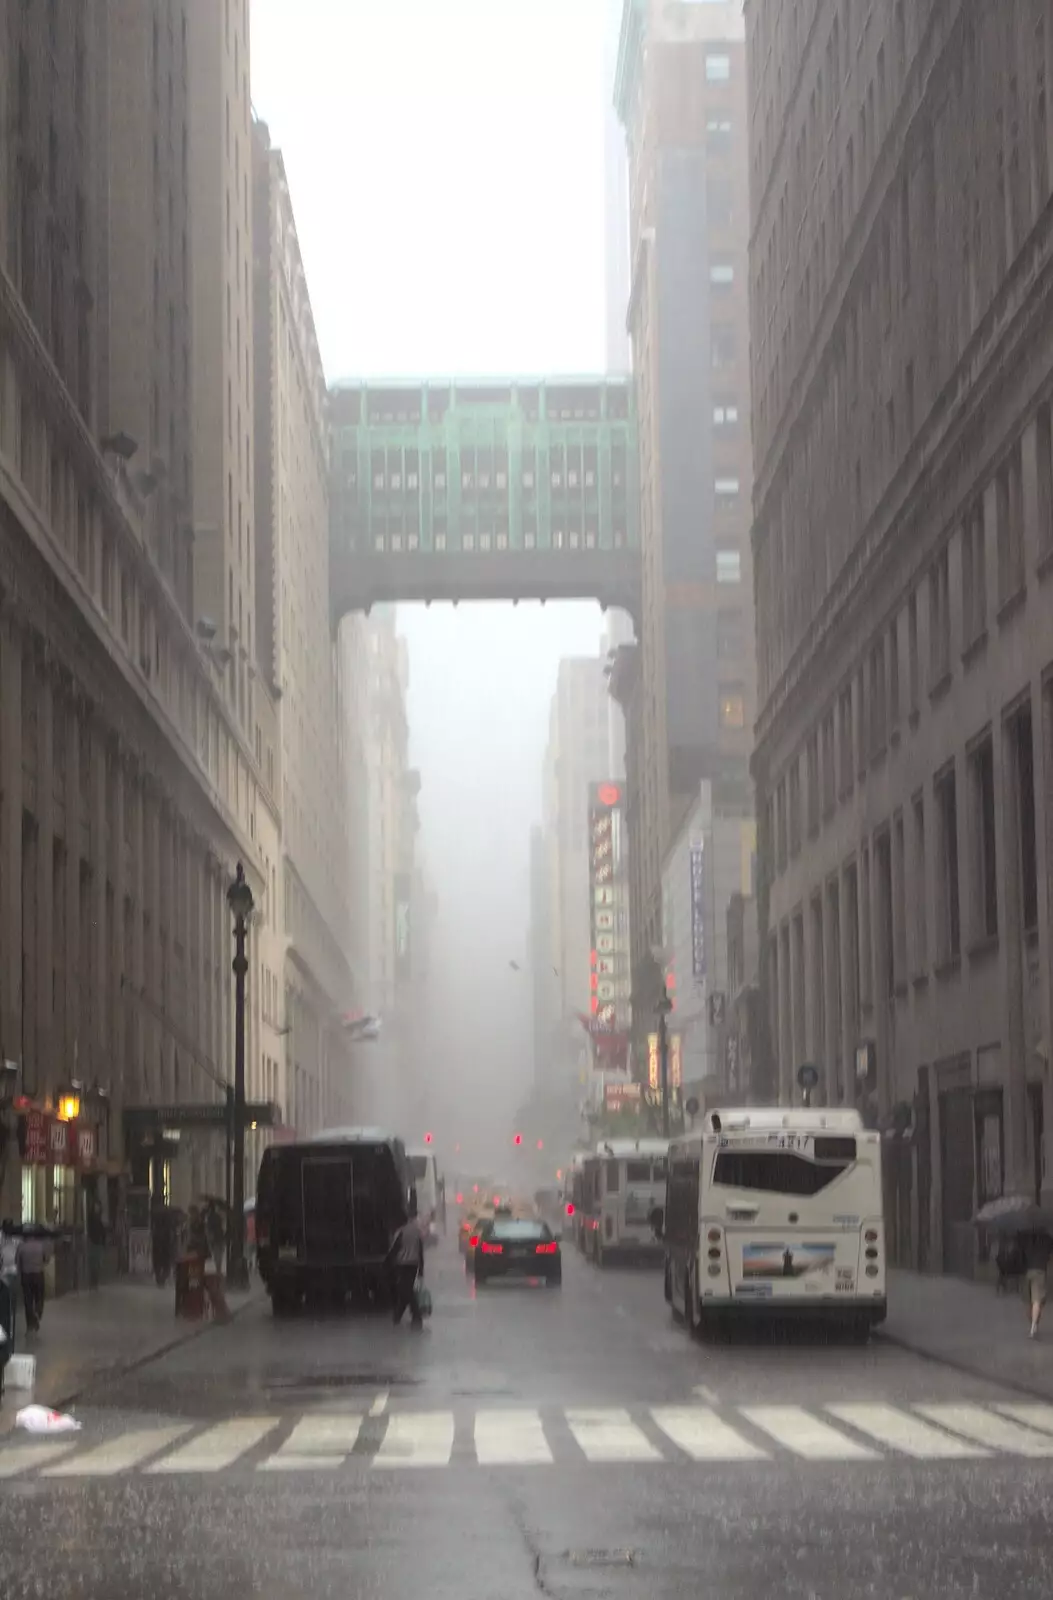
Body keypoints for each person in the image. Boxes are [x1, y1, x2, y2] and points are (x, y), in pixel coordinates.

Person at [389, 1196, 425, 1330]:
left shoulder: (401, 1232)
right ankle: (397, 1318)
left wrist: (388, 1263)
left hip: (403, 1264)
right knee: (405, 1291)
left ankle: (416, 1316)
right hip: (414, 1265)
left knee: (406, 1290)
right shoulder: (416, 1231)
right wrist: (421, 1270)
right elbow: (420, 1251)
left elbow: (394, 1249)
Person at [1022, 1229, 1053, 1338]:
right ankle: (1033, 1327)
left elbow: (1022, 1253)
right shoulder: (1047, 1238)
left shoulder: (1026, 1236)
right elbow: (1049, 1255)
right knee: (1037, 1301)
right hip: (1040, 1271)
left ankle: (1033, 1325)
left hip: (1027, 1271)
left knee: (1029, 1301)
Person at [17, 1230, 49, 1332]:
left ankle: (30, 1325)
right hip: (38, 1274)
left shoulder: (21, 1246)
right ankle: (37, 1312)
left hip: (26, 1275)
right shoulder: (41, 1245)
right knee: (39, 1296)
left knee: (28, 1300)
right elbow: (46, 1259)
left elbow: (17, 1262)